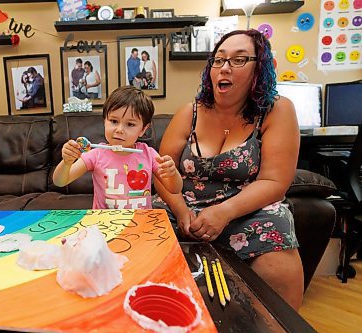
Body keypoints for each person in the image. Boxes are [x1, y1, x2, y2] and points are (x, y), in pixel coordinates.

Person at [152, 29, 303, 310]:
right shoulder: (190, 112)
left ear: (261, 68)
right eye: (219, 60)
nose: (224, 68)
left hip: (244, 212)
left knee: (278, 225)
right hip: (181, 209)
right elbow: (160, 170)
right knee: (142, 226)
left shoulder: (277, 110)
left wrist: (222, 212)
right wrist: (183, 212)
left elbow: (274, 180)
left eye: (238, 60)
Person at [53, 86, 182, 209]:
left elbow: (174, 189)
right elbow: (60, 182)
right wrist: (67, 162)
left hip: (140, 223)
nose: (119, 130)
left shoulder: (149, 154)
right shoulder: (96, 155)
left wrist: (172, 173)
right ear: (104, 121)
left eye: (130, 124)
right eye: (114, 121)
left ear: (143, 129)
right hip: (105, 224)